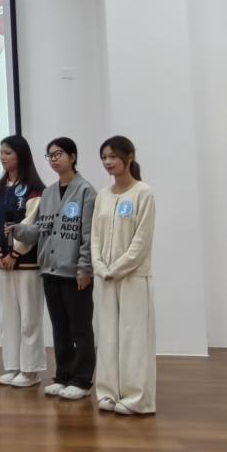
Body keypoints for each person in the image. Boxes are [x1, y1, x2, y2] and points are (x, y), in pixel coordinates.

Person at [12, 137, 96, 400]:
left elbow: (88, 234)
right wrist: (18, 230)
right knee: (60, 328)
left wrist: (85, 268)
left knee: (80, 328)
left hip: (74, 273)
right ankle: (63, 376)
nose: (54, 159)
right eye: (50, 155)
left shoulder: (86, 191)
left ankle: (82, 380)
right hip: (50, 270)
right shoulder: (48, 193)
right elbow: (41, 229)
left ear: (72, 156)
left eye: (59, 154)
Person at [91, 135, 156, 415]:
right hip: (105, 277)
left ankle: (136, 399)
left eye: (113, 156)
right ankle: (107, 393)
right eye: (104, 157)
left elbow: (141, 241)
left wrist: (117, 268)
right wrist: (100, 267)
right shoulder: (102, 196)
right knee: (107, 337)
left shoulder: (143, 193)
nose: (108, 162)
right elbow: (94, 235)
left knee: (133, 339)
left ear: (129, 157)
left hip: (133, 277)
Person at [0, 136, 45, 388]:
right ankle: (12, 365)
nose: (3, 157)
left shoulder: (34, 188)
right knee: (8, 317)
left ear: (20, 155)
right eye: (1, 152)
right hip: (2, 264)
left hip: (27, 264)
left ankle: (31, 370)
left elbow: (32, 224)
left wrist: (16, 253)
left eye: (8, 152)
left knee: (29, 318)